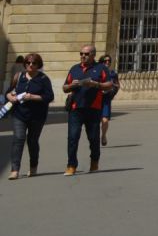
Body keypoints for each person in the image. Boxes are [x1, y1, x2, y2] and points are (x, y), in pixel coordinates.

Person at [63, 43, 112, 175]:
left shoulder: (101, 68)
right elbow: (64, 87)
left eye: (86, 54)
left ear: (93, 55)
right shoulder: (74, 69)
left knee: (93, 138)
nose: (83, 56)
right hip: (75, 108)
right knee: (72, 137)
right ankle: (71, 165)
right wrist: (71, 85)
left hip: (93, 109)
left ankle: (94, 161)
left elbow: (109, 85)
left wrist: (95, 84)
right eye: (81, 54)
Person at [6, 53, 52, 179]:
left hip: (37, 116)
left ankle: (33, 167)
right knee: (19, 139)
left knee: (32, 141)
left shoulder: (43, 79)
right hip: (19, 114)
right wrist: (10, 96)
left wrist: (33, 97)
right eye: (28, 63)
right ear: (25, 64)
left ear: (38, 65)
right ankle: (14, 170)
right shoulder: (19, 76)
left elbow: (49, 97)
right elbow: (8, 92)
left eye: (34, 63)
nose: (30, 65)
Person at [96, 55, 120, 146]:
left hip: (106, 99)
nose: (107, 62)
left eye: (109, 61)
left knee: (105, 119)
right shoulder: (96, 72)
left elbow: (117, 85)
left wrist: (113, 92)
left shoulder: (113, 73)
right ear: (101, 62)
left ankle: (103, 135)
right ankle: (95, 137)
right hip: (96, 98)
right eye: (105, 61)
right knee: (95, 120)